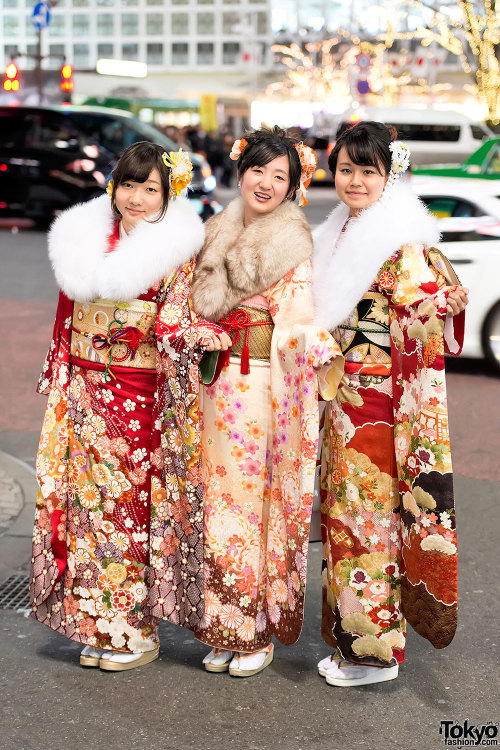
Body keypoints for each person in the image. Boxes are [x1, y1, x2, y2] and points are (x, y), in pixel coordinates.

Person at [30, 141, 229, 671]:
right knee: (89, 510)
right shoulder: (85, 237)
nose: (136, 198)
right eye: (128, 184)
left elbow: (171, 320)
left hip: (139, 395)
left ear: (168, 195)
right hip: (87, 390)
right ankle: (94, 622)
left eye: (150, 188)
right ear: (113, 186)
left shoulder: (177, 249)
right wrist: (62, 377)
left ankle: (134, 630)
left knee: (129, 510)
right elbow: (66, 319)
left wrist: (197, 334)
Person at [313, 121, 468, 687]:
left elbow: (418, 310)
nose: (354, 180)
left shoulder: (399, 240)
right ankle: (357, 643)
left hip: (375, 404)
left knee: (369, 525)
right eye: (346, 168)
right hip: (342, 401)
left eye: (367, 171)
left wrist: (435, 305)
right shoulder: (341, 230)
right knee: (345, 519)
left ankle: (375, 655)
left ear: (390, 176)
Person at [190, 126, 343, 678]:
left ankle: (252, 627)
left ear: (293, 188)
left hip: (257, 390)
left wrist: (307, 342)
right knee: (211, 500)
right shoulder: (215, 231)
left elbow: (296, 323)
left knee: (247, 506)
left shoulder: (291, 245)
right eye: (258, 169)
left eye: (280, 176)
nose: (266, 182)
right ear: (241, 170)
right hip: (212, 386)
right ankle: (218, 623)